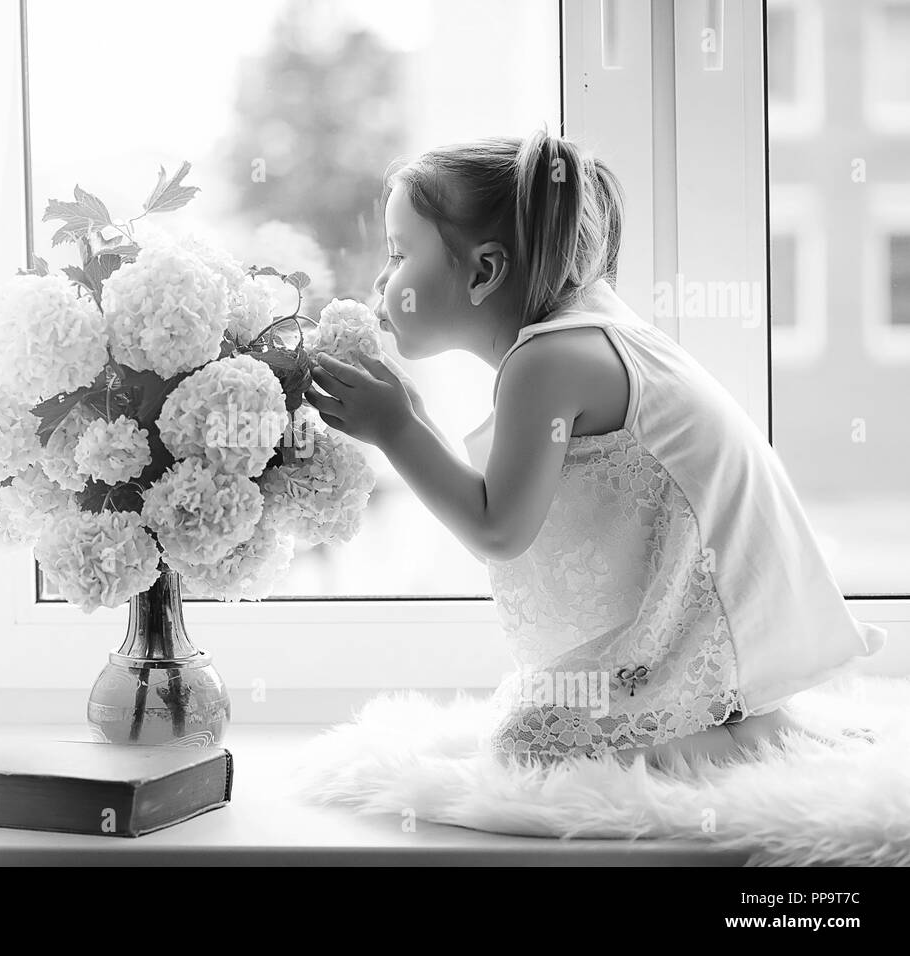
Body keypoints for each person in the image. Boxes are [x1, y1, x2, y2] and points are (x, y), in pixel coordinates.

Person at [304, 129, 887, 769]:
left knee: (525, 747)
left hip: (716, 641)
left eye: (397, 254)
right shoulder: (584, 332)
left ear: (484, 270)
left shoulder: (546, 361)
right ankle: (743, 717)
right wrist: (408, 413)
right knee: (536, 723)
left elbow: (498, 529)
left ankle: (740, 738)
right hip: (732, 632)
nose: (382, 279)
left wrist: (396, 428)